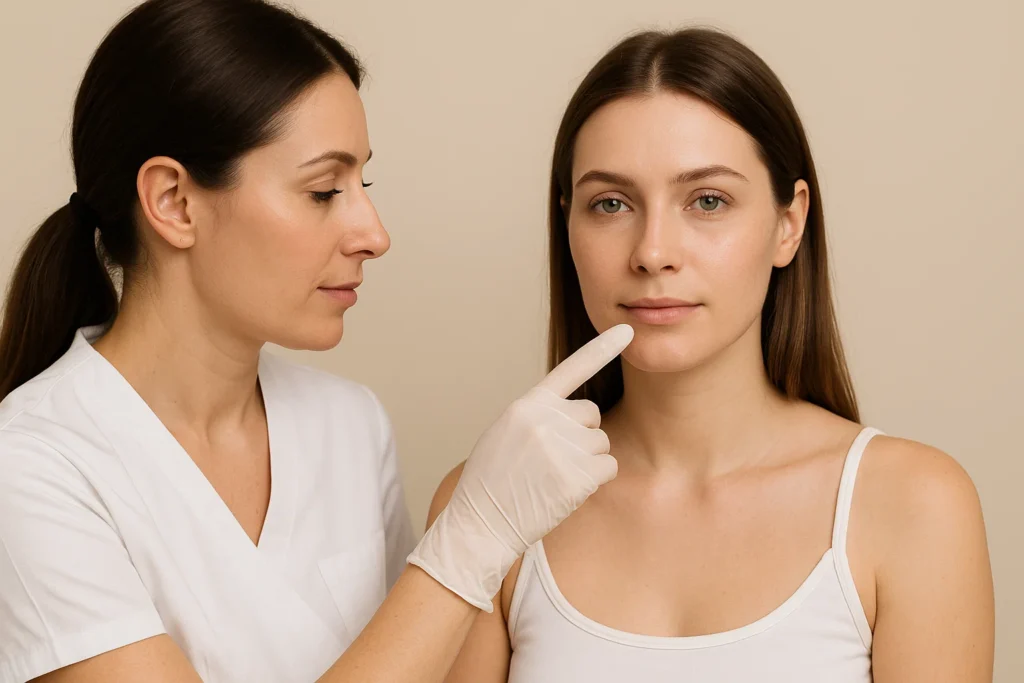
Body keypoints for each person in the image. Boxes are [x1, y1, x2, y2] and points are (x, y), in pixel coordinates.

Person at [0, 1, 633, 681]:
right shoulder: (33, 468)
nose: (374, 233)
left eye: (363, 182)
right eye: (323, 190)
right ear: (174, 202)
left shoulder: (350, 425)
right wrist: (470, 543)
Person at [428, 28, 996, 683]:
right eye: (610, 203)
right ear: (568, 224)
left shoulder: (913, 503)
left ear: (790, 222)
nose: (653, 250)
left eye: (707, 200)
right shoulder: (489, 506)